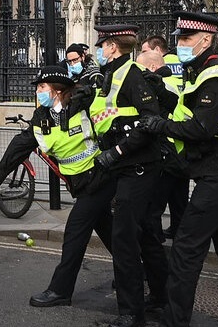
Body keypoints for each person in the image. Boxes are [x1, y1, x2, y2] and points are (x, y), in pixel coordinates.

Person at [137, 11, 218, 327]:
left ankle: (174, 319)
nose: (180, 44)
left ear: (206, 40)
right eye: (179, 38)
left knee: (185, 249)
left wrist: (160, 126)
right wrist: (162, 93)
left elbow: (201, 128)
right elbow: (189, 109)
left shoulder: (216, 77)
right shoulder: (206, 73)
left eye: (186, 39)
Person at [0, 66, 115, 308]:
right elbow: (21, 144)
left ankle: (60, 290)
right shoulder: (42, 116)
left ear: (58, 91)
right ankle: (138, 267)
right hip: (80, 184)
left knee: (75, 233)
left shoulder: (83, 104)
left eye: (42, 87)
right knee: (109, 230)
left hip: (100, 179)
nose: (38, 92)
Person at [89, 24, 166, 327]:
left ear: (111, 46)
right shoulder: (110, 75)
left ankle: (131, 315)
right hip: (125, 168)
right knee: (146, 237)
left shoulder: (132, 75)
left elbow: (149, 121)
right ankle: (160, 298)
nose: (98, 49)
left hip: (137, 168)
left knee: (124, 242)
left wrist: (117, 152)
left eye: (101, 44)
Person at [135, 50, 189, 241]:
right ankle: (180, 235)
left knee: (154, 205)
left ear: (151, 68)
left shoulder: (162, 84)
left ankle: (155, 242)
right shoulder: (173, 81)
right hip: (180, 151)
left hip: (167, 151)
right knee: (178, 200)